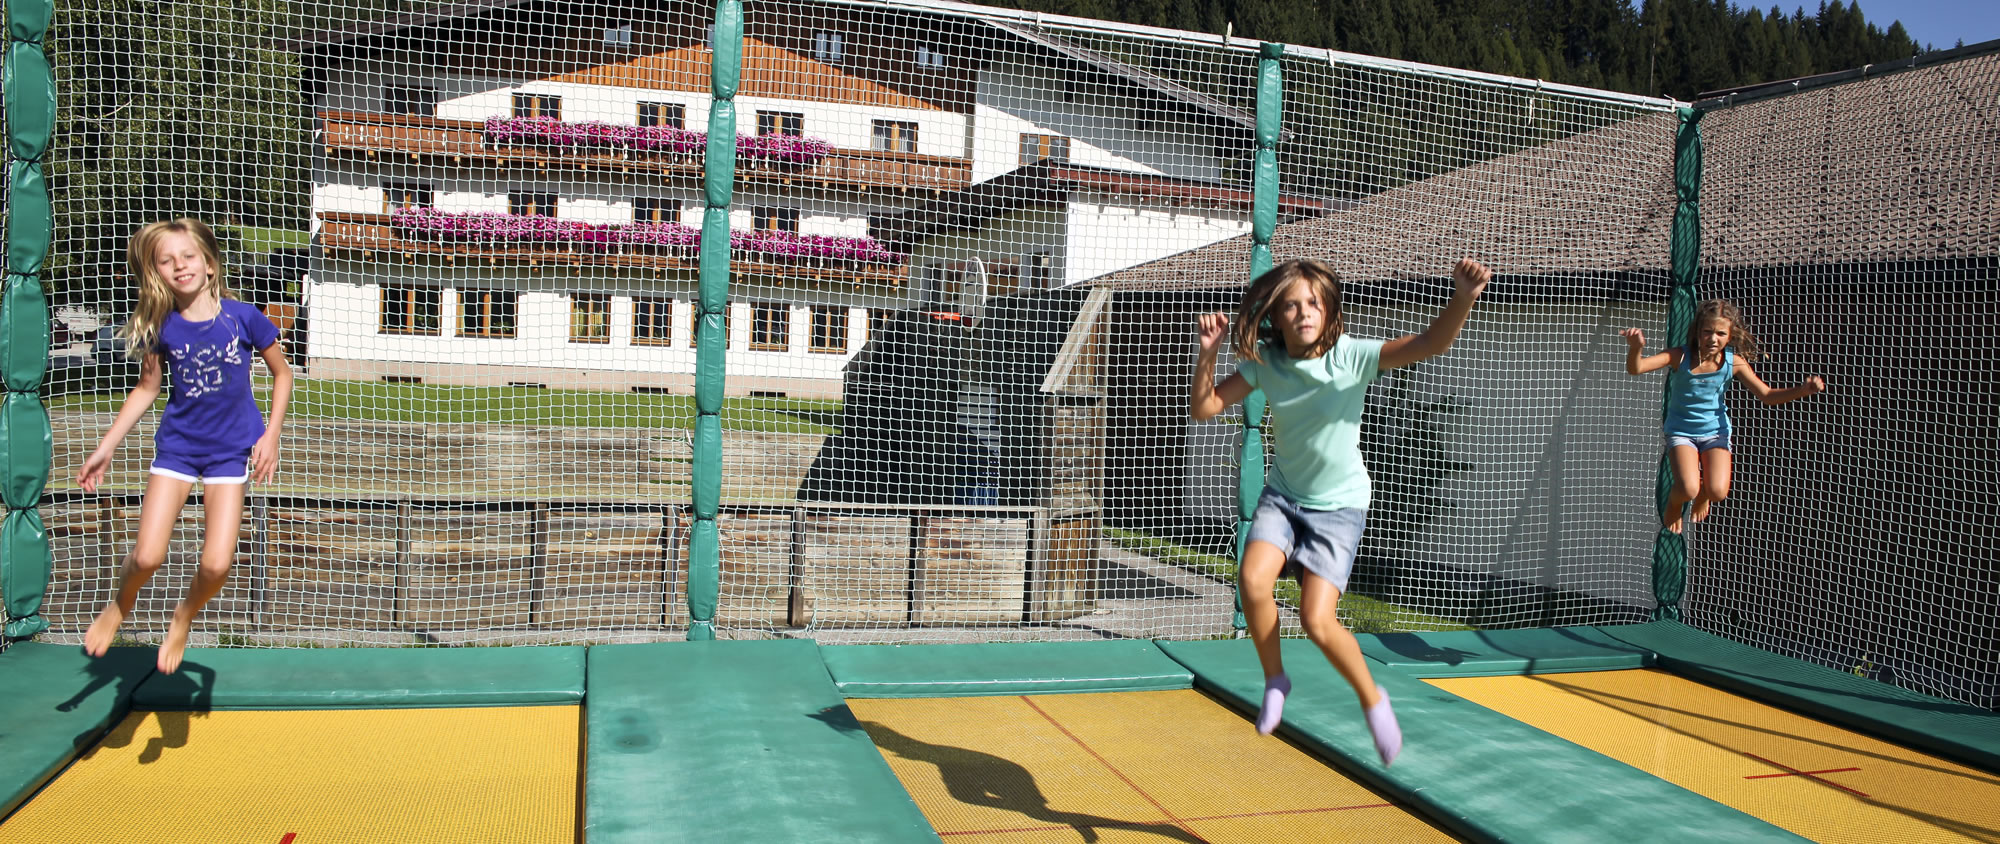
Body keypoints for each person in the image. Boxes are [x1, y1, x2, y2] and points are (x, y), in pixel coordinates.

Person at [1191, 257, 1491, 766]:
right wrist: (1209, 353)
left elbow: (1429, 345)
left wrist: (1461, 297)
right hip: (1284, 497)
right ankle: (1275, 679)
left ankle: (1373, 701)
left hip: (1339, 507)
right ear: (1276, 316)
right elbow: (1206, 407)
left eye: (1313, 303)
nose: (1303, 312)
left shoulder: (1352, 356)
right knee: (1252, 580)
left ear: (1328, 310)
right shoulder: (1267, 363)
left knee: (1316, 619)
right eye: (1291, 305)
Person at [78, 218, 293, 674]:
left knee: (216, 567)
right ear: (157, 272)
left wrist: (271, 434)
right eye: (166, 260)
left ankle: (183, 616)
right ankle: (121, 603)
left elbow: (283, 374)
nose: (180, 266)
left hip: (229, 454)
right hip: (177, 450)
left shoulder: (243, 318)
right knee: (147, 556)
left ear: (210, 265)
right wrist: (106, 446)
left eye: (188, 256)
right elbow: (146, 388)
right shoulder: (164, 326)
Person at [1621, 299, 1824, 533]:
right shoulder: (1680, 357)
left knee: (1717, 491)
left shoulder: (1733, 363)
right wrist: (1636, 348)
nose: (1713, 339)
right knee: (1688, 488)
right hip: (1681, 431)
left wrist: (1802, 390)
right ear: (1697, 332)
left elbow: (1766, 395)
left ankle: (1705, 494)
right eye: (1707, 332)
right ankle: (1675, 505)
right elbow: (1636, 368)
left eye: (1720, 333)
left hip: (1715, 432)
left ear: (1730, 335)